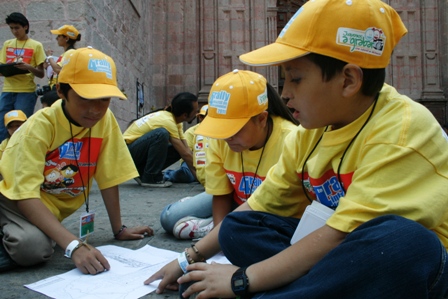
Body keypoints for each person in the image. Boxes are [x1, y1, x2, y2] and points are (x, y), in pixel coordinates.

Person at [145, 1, 448, 298]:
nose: (285, 93)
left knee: (403, 241)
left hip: (402, 266)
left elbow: (338, 236)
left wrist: (241, 280)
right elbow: (258, 204)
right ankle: (306, 287)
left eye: (296, 78)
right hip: (336, 256)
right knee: (238, 226)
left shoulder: (401, 132)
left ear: (348, 80)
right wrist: (189, 258)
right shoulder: (310, 133)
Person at [0, 47, 153, 273]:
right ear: (61, 91)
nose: (95, 110)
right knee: (33, 248)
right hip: (12, 199)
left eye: (104, 100)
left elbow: (109, 175)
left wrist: (118, 229)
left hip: (47, 207)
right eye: (84, 98)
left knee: (42, 241)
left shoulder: (104, 119)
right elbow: (25, 195)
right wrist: (74, 245)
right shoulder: (39, 127)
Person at [160, 70, 299, 240]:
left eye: (234, 129)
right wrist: (222, 236)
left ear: (262, 119)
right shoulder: (221, 140)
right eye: (221, 129)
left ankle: (222, 223)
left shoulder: (292, 140)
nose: (227, 137)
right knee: (168, 218)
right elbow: (221, 194)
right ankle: (219, 224)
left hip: (272, 212)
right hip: (235, 195)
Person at [123, 92, 198, 188]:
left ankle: (143, 172)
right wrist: (204, 172)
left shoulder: (176, 122)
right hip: (126, 155)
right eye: (195, 111)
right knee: (161, 134)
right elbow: (185, 154)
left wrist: (199, 178)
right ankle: (150, 177)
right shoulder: (168, 121)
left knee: (177, 149)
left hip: (135, 154)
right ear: (185, 115)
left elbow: (186, 151)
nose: (196, 113)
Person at [0, 12, 46, 142]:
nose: (14, 31)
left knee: (22, 125)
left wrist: (28, 67)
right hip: (8, 89)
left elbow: (41, 73)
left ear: (25, 27)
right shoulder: (8, 44)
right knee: (2, 125)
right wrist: (8, 69)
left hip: (26, 91)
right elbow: (1, 68)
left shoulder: (36, 45)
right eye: (11, 28)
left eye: (17, 28)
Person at [163, 104, 209, 184]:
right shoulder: (191, 132)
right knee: (187, 175)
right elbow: (187, 155)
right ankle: (168, 175)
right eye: (206, 117)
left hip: (212, 161)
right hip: (193, 161)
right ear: (201, 118)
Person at [45, 25, 81, 90]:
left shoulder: (70, 52)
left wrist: (49, 56)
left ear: (66, 38)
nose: (56, 38)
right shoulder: (67, 53)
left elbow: (58, 69)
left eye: (59, 36)